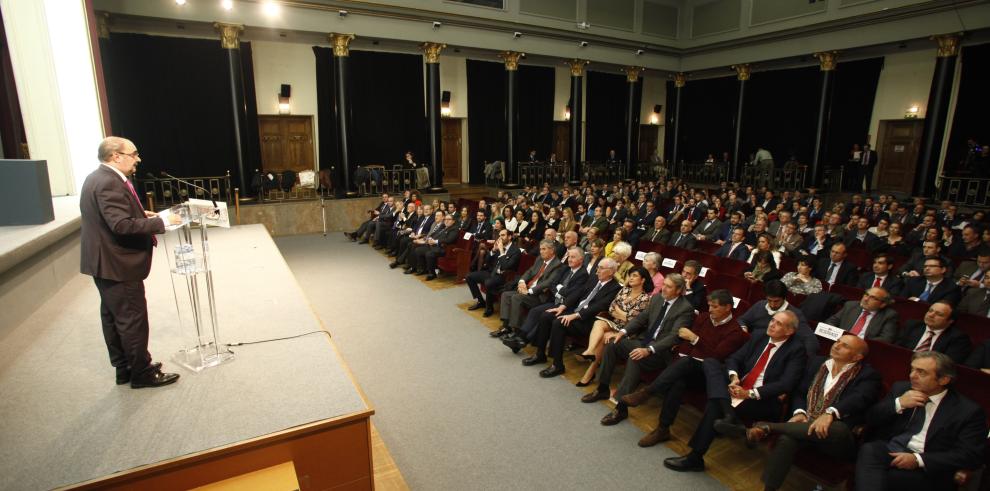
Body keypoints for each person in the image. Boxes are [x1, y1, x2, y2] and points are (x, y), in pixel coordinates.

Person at [80, 136, 180, 388]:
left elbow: (113, 217)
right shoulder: (109, 183)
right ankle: (142, 373)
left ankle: (125, 368)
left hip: (105, 262)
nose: (138, 159)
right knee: (131, 319)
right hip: (118, 263)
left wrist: (140, 214)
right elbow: (121, 225)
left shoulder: (98, 177)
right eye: (134, 154)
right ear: (116, 156)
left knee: (114, 317)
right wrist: (162, 222)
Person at [663, 311, 807, 473]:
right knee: (710, 363)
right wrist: (734, 377)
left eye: (778, 323)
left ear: (789, 331)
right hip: (737, 385)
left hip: (762, 398)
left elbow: (786, 384)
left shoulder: (797, 350)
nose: (772, 324)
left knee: (715, 404)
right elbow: (734, 358)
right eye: (772, 320)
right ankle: (728, 413)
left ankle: (695, 457)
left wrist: (749, 393)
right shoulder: (760, 336)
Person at [748, 335, 881, 491]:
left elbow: (859, 398)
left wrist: (830, 413)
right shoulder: (818, 363)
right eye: (837, 341)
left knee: (838, 428)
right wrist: (800, 413)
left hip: (834, 439)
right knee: (787, 439)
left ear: (857, 356)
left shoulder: (867, 375)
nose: (837, 345)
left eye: (845, 346)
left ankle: (768, 427)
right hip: (806, 426)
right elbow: (800, 392)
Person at [621, 290, 748, 447]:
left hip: (709, 375)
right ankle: (663, 429)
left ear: (728, 307)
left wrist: (695, 339)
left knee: (686, 363)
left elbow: (716, 357)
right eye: (709, 305)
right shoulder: (703, 318)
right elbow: (685, 345)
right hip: (687, 367)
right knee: (678, 380)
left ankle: (648, 392)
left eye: (714, 307)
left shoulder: (735, 331)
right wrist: (687, 348)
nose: (710, 310)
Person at [855, 351, 987, 490]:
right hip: (892, 450)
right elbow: (871, 418)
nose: (912, 375)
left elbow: (971, 455)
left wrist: (918, 460)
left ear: (944, 380)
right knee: (869, 450)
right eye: (912, 369)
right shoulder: (901, 388)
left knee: (884, 478)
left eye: (921, 372)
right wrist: (898, 404)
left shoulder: (967, 411)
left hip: (928, 464)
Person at [581, 274, 696, 426]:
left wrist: (649, 350)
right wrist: (622, 332)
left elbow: (674, 337)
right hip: (643, 341)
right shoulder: (657, 298)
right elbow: (641, 318)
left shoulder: (685, 309)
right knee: (612, 344)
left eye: (668, 287)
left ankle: (621, 407)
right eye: (664, 284)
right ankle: (602, 388)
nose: (663, 288)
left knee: (635, 357)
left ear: (679, 290)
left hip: (660, 351)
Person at [529, 258, 622, 378]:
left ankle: (557, 365)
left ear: (611, 271)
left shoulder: (615, 288)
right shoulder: (594, 279)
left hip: (588, 320)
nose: (597, 270)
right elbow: (578, 293)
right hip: (574, 311)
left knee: (559, 323)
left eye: (601, 268)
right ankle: (540, 354)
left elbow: (599, 307)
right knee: (547, 315)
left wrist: (574, 315)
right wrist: (562, 307)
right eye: (597, 267)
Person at [575, 266, 653, 386]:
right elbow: (611, 308)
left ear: (643, 280)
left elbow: (634, 320)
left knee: (604, 336)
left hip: (628, 331)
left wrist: (621, 314)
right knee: (598, 323)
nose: (630, 278)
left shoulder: (645, 298)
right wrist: (624, 315)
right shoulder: (624, 290)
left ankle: (590, 372)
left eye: (634, 276)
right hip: (615, 323)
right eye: (630, 275)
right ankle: (590, 351)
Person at [895, 302, 972, 363]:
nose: (931, 315)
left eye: (939, 314)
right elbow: (896, 349)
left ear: (950, 321)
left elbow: (946, 365)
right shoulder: (912, 325)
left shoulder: (958, 339)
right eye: (930, 310)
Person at [465, 229, 520, 314]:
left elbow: (506, 266)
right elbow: (487, 261)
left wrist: (501, 251)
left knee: (488, 282)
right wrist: (493, 250)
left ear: (509, 237)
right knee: (469, 276)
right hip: (492, 272)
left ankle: (489, 308)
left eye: (503, 235)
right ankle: (481, 301)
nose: (500, 237)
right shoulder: (499, 246)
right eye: (499, 235)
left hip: (503, 276)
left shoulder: (515, 251)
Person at [823, 288, 900, 342]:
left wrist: (858, 341)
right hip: (839, 340)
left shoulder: (889, 315)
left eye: (873, 298)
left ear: (882, 304)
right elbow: (831, 321)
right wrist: (838, 335)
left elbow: (886, 339)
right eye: (866, 295)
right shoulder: (850, 305)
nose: (866, 299)